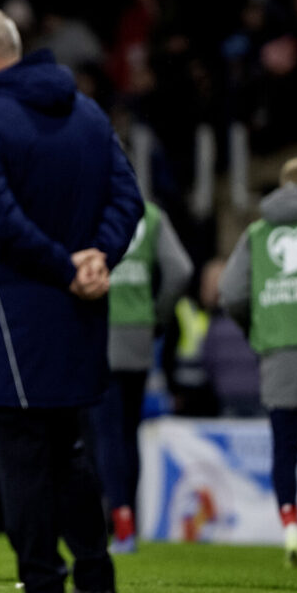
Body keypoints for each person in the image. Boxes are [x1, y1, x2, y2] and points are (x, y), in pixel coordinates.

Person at [0, 6, 143, 593]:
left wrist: (63, 268)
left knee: (25, 461)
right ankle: (96, 584)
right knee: (69, 451)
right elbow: (127, 197)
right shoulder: (87, 111)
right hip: (81, 312)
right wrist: (95, 260)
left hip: (15, 315)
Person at [88, 201, 193, 553]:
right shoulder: (150, 214)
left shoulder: (84, 207)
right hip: (138, 335)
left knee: (105, 436)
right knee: (127, 433)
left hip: (96, 330)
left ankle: (119, 526)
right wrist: (155, 314)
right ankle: (127, 524)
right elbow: (180, 270)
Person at [220, 156, 297, 567]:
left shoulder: (256, 232)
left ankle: (291, 527)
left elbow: (231, 294)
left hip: (278, 355)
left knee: (285, 450)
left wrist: (259, 329)